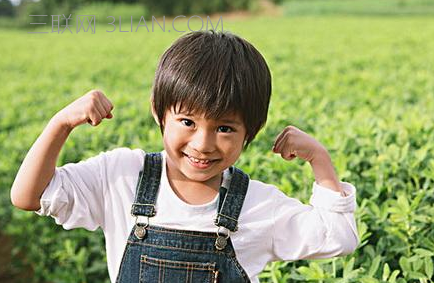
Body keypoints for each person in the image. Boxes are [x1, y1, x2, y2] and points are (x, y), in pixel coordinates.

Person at [10, 31, 359, 283]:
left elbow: (339, 236)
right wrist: (60, 124)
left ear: (251, 130)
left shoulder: (257, 205)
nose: (203, 144)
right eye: (187, 122)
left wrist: (320, 159)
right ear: (159, 113)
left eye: (225, 128)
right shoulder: (121, 176)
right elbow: (28, 196)